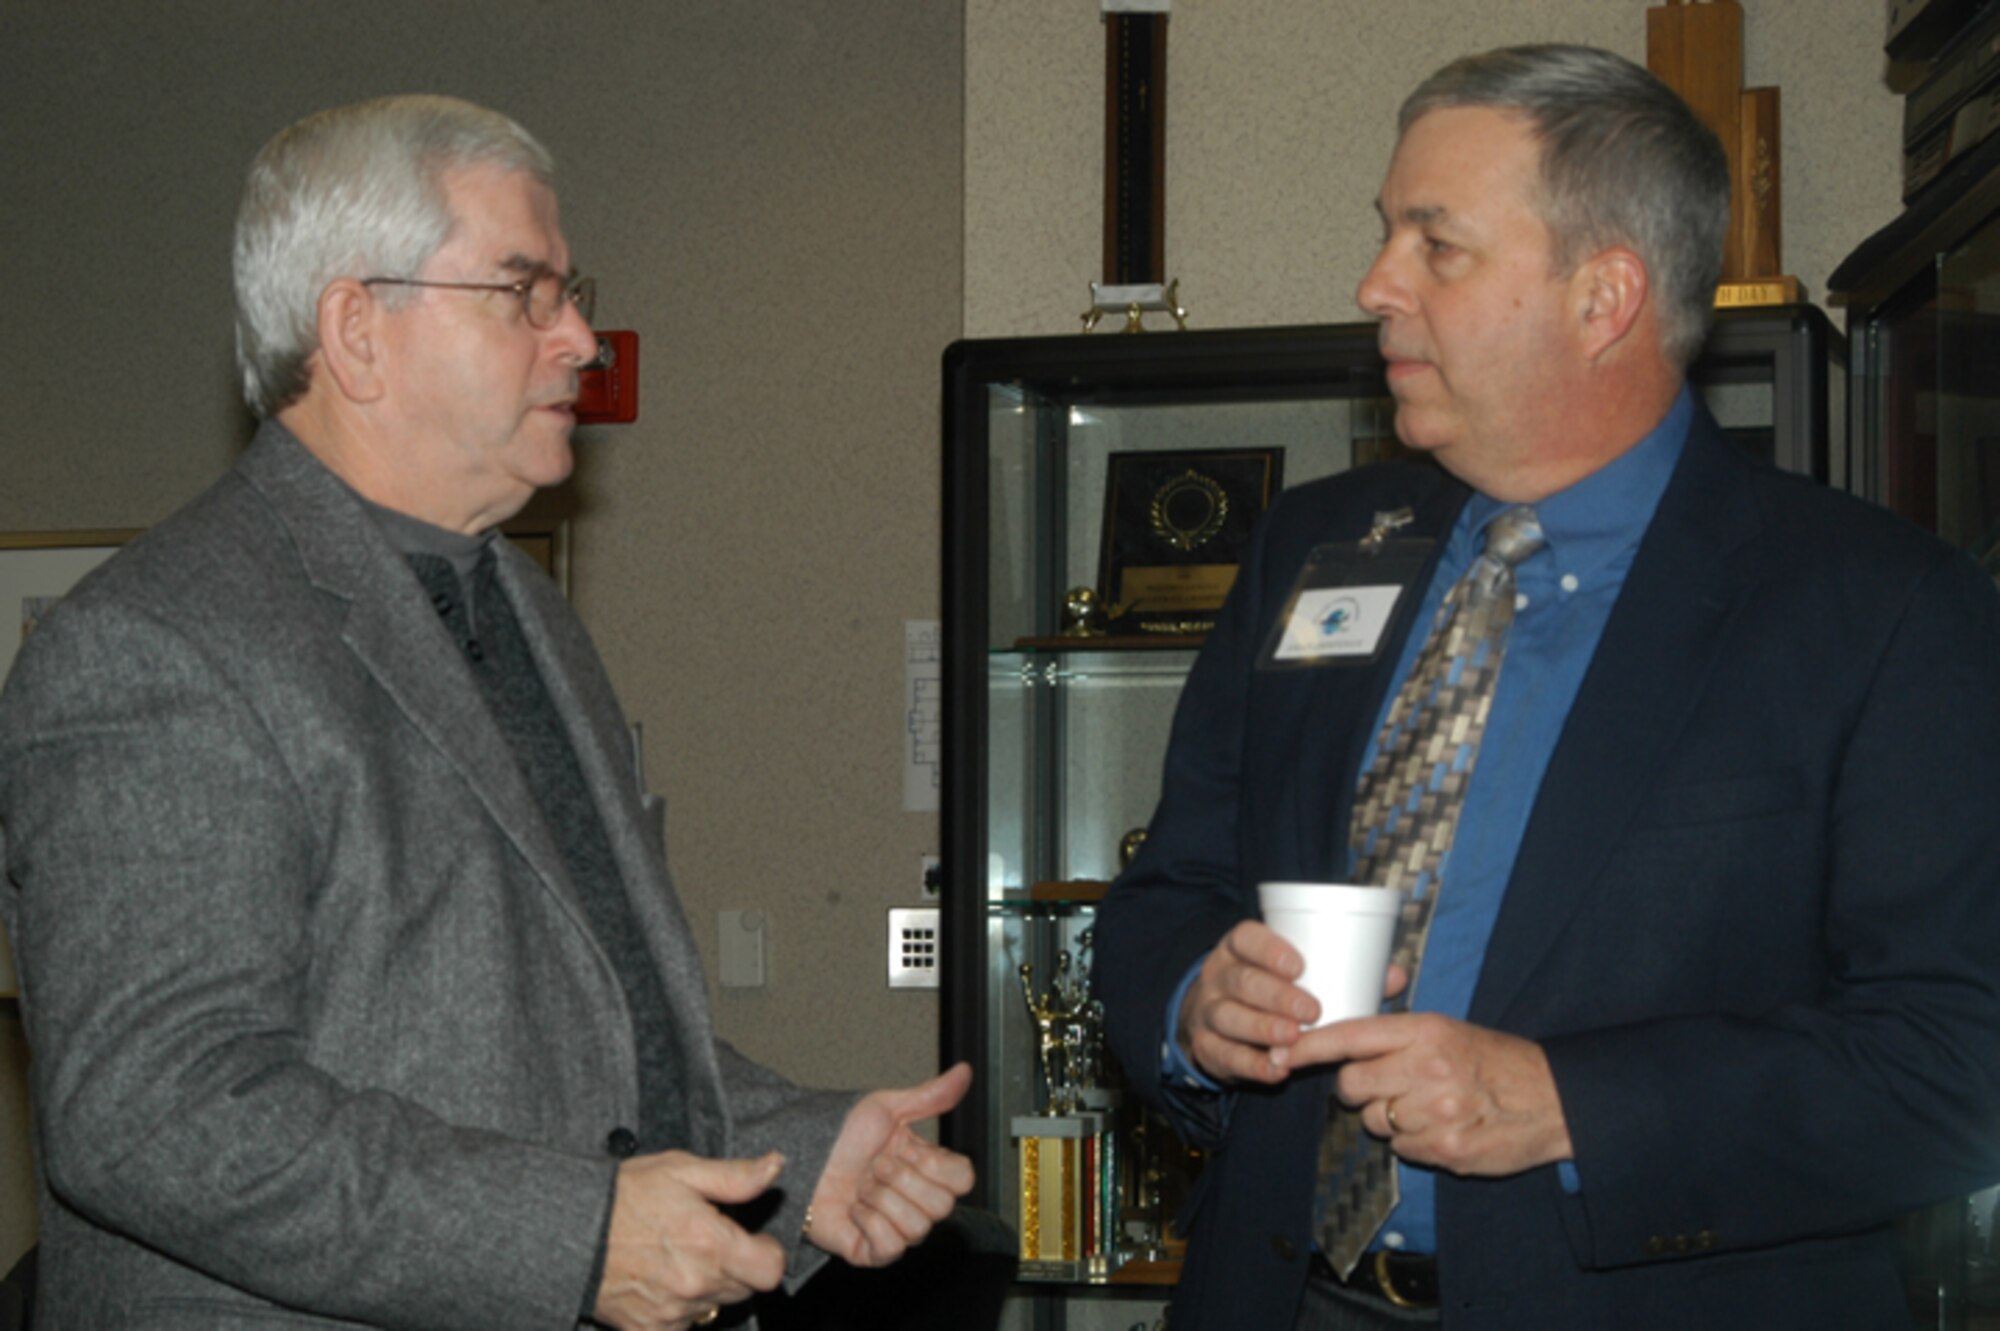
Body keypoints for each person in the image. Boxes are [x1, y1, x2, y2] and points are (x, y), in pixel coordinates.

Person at [0, 94, 972, 1331]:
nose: (581, 338)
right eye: (524, 292)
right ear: (356, 329)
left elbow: (561, 1022)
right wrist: (572, 1237)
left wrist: (802, 1143)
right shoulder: (157, 644)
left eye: (570, 291)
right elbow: (155, 1107)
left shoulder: (522, 606)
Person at [1094, 43, 2000, 1330]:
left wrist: (1571, 1105)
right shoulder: (1313, 548)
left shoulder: (1883, 609)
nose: (1373, 285)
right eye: (1383, 235)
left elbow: (1957, 1061)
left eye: (1434, 244)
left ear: (1602, 297)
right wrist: (1195, 997)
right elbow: (1164, 890)